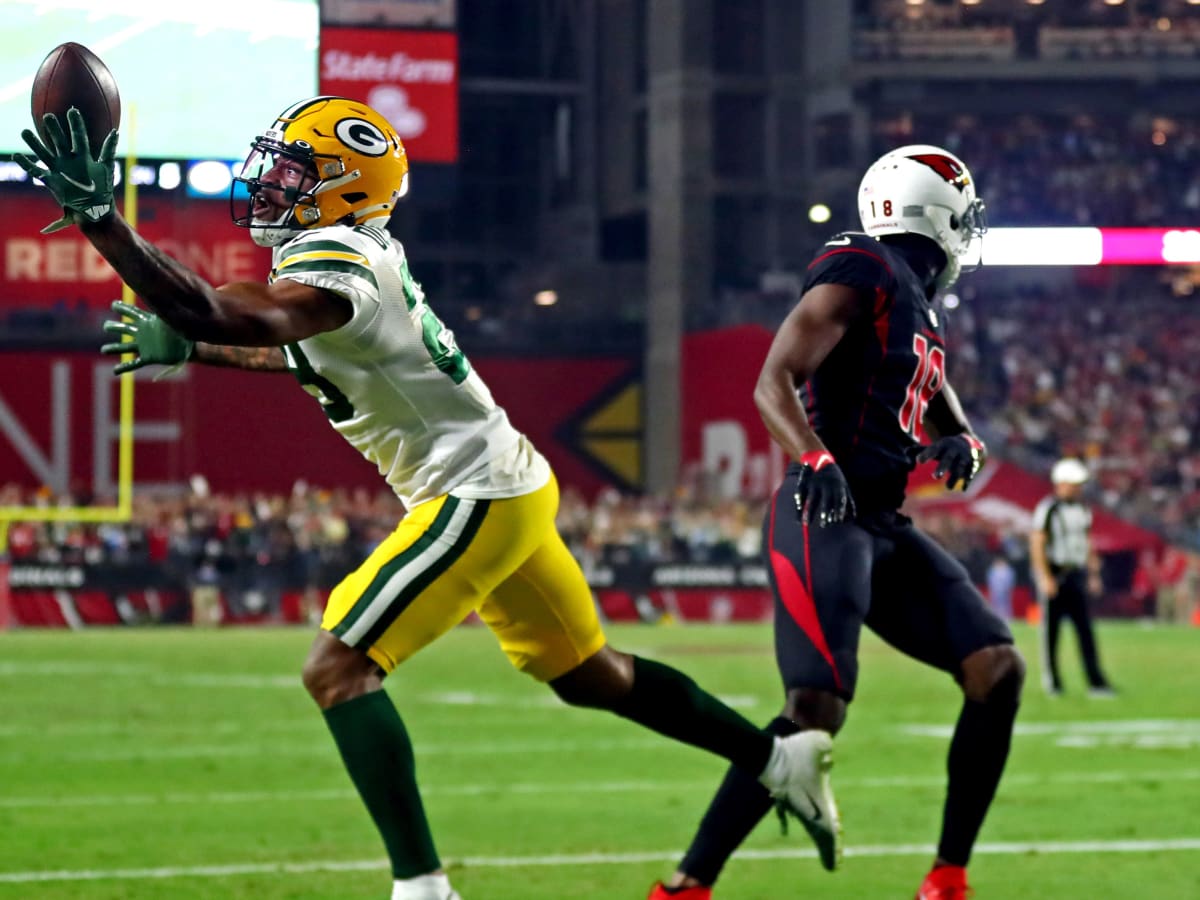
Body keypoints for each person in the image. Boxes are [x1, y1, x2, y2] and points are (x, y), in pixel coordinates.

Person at [16, 99, 832, 900]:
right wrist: (201, 348)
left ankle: (423, 886)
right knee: (591, 676)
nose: (267, 183)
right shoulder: (350, 256)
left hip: (472, 492)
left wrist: (102, 221)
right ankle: (776, 760)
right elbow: (313, 355)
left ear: (345, 190)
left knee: (338, 669)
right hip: (507, 482)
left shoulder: (341, 262)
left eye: (294, 172)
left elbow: (217, 305)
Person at [648, 145, 1025, 900]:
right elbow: (773, 381)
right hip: (826, 512)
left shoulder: (911, 296)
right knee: (814, 710)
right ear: (937, 212)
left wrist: (959, 431)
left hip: (883, 522)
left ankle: (947, 877)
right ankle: (687, 886)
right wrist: (816, 459)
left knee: (996, 668)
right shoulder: (864, 265)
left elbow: (926, 373)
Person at [1029, 458, 1115, 697]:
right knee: (1051, 632)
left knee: (1085, 630)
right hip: (1056, 573)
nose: (1078, 488)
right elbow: (1037, 543)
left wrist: (1093, 573)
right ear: (1061, 483)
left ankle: (1095, 680)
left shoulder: (1083, 509)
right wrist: (1045, 576)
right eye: (1073, 483)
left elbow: (1087, 542)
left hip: (1075, 573)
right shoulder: (1048, 508)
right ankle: (1053, 681)